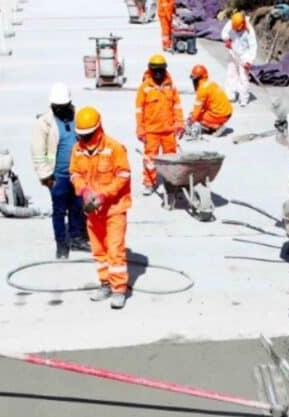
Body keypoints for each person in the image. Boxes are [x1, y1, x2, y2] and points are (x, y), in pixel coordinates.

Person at [70, 107, 132, 310]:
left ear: (98, 130)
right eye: (82, 135)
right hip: (92, 210)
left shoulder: (114, 148)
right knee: (99, 250)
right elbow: (75, 174)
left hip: (114, 209)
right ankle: (105, 283)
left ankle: (119, 289)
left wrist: (104, 194)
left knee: (115, 250)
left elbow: (123, 175)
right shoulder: (78, 149)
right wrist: (84, 190)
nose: (85, 139)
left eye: (88, 135)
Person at [31, 83, 89, 258]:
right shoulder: (44, 123)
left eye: (64, 106)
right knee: (59, 211)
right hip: (57, 176)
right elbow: (38, 152)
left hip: (77, 174)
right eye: (58, 107)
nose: (61, 110)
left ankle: (76, 237)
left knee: (77, 207)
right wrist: (46, 177)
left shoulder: (78, 116)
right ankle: (61, 244)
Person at [135, 54, 183, 195]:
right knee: (150, 160)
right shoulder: (144, 88)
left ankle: (172, 183)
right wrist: (140, 128)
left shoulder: (171, 86)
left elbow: (177, 106)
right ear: (150, 70)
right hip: (151, 132)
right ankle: (149, 182)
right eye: (154, 70)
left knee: (171, 160)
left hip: (169, 131)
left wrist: (180, 123)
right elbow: (139, 111)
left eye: (160, 70)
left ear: (165, 70)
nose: (157, 73)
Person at [220, 12, 258, 107]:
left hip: (244, 56)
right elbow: (224, 33)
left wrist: (249, 61)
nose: (236, 30)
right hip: (233, 52)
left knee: (243, 78)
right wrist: (227, 40)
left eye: (238, 28)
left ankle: (243, 99)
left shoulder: (249, 31)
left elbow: (253, 47)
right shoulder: (231, 23)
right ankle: (230, 95)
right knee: (231, 74)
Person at [187, 64, 232, 135]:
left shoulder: (202, 89)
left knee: (196, 118)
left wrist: (190, 121)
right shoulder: (211, 83)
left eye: (194, 79)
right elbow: (205, 105)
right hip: (227, 112)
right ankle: (214, 125)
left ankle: (217, 127)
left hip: (220, 114)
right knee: (197, 115)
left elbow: (197, 109)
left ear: (199, 78)